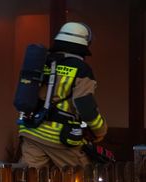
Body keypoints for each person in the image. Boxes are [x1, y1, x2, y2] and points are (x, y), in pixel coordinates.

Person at [18, 22, 107, 169]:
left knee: (29, 180)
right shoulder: (81, 69)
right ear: (84, 43)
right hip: (59, 138)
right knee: (81, 180)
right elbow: (85, 106)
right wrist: (100, 130)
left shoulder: (41, 61)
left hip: (31, 131)